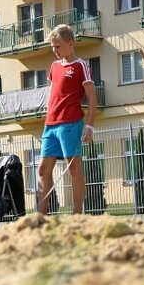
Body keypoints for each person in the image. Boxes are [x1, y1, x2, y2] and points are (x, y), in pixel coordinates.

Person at [37, 24, 97, 215]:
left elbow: (92, 97)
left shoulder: (81, 66)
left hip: (71, 124)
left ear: (70, 44)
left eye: (58, 46)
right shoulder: (54, 67)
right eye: (53, 47)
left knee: (73, 169)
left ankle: (77, 214)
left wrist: (89, 126)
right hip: (50, 125)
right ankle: (41, 217)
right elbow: (54, 93)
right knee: (42, 170)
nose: (55, 50)